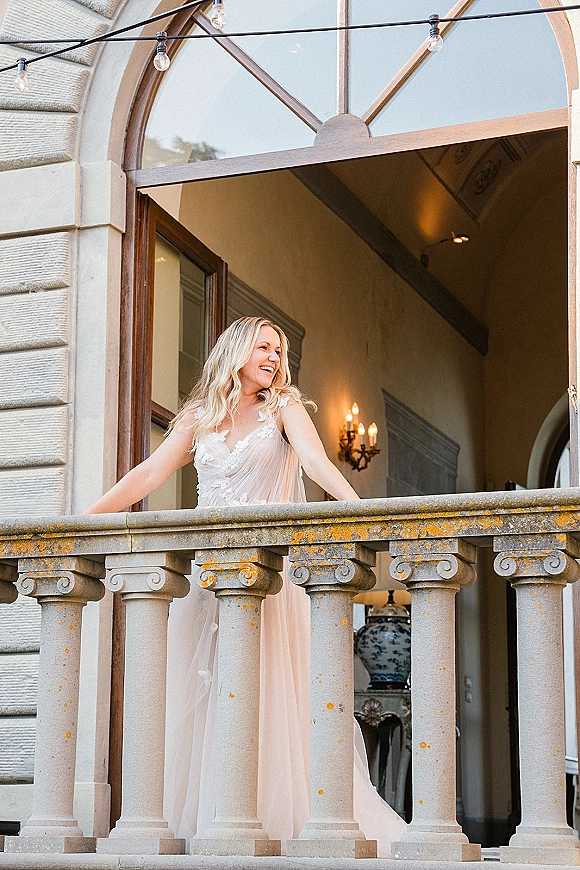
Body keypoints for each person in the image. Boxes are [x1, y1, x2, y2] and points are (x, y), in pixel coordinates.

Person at [85, 316, 406, 855]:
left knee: (267, 693)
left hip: (265, 583)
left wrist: (359, 509)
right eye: (264, 347)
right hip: (207, 586)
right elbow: (149, 474)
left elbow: (313, 460)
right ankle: (210, 821)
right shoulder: (199, 416)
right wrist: (85, 518)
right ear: (235, 351)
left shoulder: (285, 408)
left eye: (279, 350)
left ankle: (274, 821)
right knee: (204, 699)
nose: (275, 358)